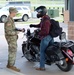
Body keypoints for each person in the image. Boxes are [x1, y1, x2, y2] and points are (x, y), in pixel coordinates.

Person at [30, 6, 54, 71]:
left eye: (38, 12)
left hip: (46, 37)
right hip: (50, 36)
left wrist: (38, 33)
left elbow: (45, 31)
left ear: (42, 12)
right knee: (49, 50)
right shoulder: (45, 18)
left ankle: (42, 67)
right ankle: (50, 60)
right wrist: (33, 25)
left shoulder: (45, 20)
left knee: (42, 52)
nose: (37, 13)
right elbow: (40, 25)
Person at [4, 7, 25, 72]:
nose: (16, 13)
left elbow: (13, 28)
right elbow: (8, 32)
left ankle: (9, 64)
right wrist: (17, 32)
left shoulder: (11, 19)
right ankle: (11, 66)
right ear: (12, 12)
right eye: (15, 12)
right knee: (12, 52)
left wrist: (19, 29)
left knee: (12, 51)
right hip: (11, 39)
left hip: (13, 38)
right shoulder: (8, 20)